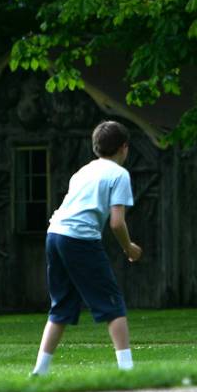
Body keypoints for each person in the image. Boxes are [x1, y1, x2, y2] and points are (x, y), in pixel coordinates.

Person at [30, 120, 143, 376]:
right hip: (79, 239)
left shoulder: (83, 172)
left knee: (61, 306)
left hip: (55, 234)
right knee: (113, 304)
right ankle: (127, 371)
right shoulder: (119, 175)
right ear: (124, 148)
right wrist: (129, 248)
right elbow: (116, 223)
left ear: (97, 147)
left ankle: (40, 370)